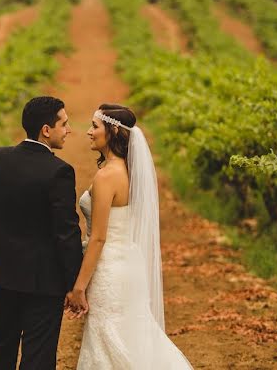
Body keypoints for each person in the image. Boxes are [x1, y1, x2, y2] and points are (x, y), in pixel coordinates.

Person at [68, 103, 192, 369]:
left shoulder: (106, 176)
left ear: (112, 131)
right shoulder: (130, 172)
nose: (89, 132)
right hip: (130, 264)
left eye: (95, 126)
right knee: (131, 335)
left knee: (107, 337)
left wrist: (79, 286)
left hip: (109, 268)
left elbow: (99, 238)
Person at [0, 96, 83, 370]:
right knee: (38, 356)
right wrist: (73, 283)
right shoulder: (59, 171)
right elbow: (66, 233)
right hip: (44, 281)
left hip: (3, 274)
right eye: (64, 124)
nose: (68, 130)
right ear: (46, 130)